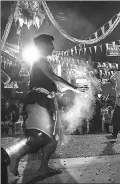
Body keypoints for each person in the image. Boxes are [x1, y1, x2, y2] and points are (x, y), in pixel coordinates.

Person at [5, 34, 85, 177]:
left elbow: (57, 86)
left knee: (53, 139)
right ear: (43, 46)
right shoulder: (40, 60)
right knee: (40, 137)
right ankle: (14, 156)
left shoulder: (43, 62)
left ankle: (43, 168)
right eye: (50, 44)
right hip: (38, 102)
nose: (53, 47)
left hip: (46, 103)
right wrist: (74, 88)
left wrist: (74, 89)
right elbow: (54, 78)